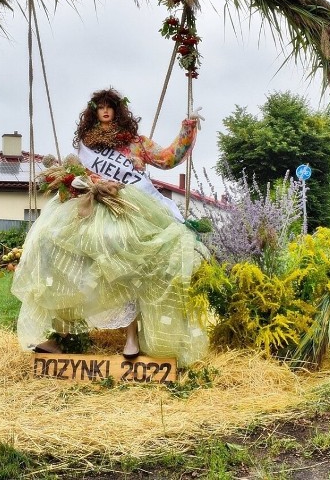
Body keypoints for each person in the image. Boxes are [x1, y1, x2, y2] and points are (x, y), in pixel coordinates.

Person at [12, 88, 208, 365]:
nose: (105, 111)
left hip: (129, 206)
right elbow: (78, 174)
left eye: (110, 106)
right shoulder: (86, 144)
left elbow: (167, 158)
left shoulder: (135, 142)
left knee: (125, 260)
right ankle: (61, 334)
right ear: (93, 112)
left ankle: (132, 336)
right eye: (100, 107)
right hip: (92, 203)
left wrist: (187, 129)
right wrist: (86, 181)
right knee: (55, 250)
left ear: (118, 110)